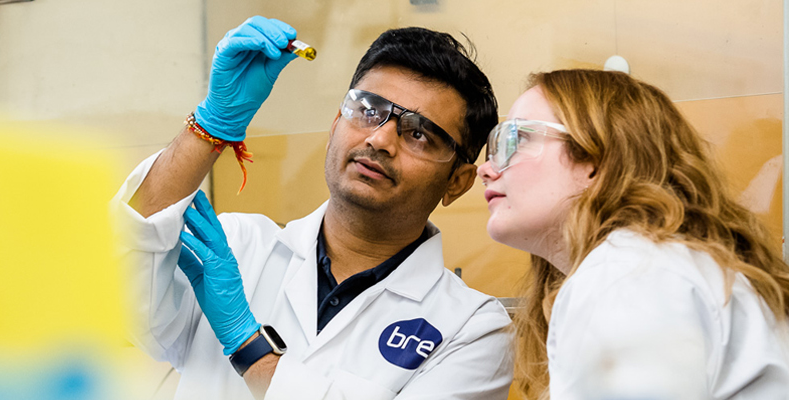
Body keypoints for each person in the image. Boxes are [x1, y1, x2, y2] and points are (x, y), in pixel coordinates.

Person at [112, 16, 513, 400]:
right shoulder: (236, 248)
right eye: (369, 111)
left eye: (419, 134)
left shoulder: (472, 329)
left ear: (458, 182)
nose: (380, 140)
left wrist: (245, 339)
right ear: (336, 123)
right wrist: (214, 123)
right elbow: (118, 275)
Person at [475, 69, 789, 399]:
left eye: (514, 140)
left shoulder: (627, 276)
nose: (485, 169)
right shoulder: (651, 268)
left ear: (595, 157)